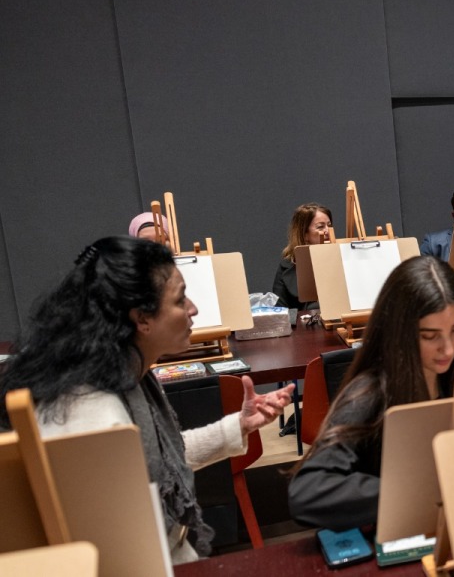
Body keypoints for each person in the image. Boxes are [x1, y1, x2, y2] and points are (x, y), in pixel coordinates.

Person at [0, 236, 294, 564]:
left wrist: (239, 425)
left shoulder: (118, 372)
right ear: (141, 318)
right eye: (180, 299)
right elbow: (114, 554)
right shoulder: (92, 413)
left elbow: (154, 462)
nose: (193, 309)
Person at [288, 256, 454, 531]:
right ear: (400, 331)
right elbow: (307, 492)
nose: (448, 348)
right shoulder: (369, 394)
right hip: (397, 535)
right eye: (430, 336)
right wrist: (420, 492)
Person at [273, 203, 333, 310]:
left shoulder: (341, 259)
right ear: (304, 234)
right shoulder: (286, 266)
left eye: (329, 225)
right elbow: (279, 311)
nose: (328, 231)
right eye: (320, 227)